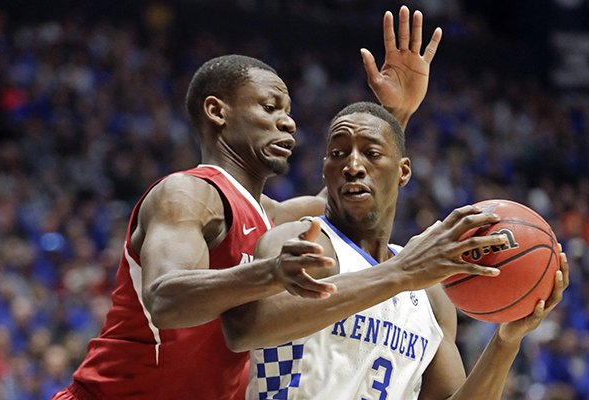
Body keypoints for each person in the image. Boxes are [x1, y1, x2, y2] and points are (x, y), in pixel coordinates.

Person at [53, 6, 443, 400]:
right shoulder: (188, 193)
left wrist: (396, 113)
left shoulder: (271, 215)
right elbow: (165, 298)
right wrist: (272, 273)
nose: (288, 122)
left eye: (288, 113)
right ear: (216, 111)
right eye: (270, 107)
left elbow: (351, 192)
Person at [221, 102, 569, 399]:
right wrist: (401, 273)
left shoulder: (430, 293)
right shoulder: (302, 241)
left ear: (403, 171)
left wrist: (507, 341)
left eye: (371, 154)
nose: (353, 166)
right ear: (325, 170)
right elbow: (246, 330)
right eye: (338, 154)